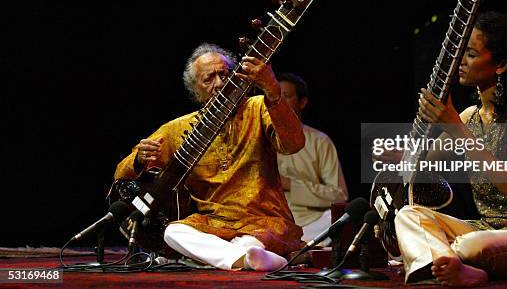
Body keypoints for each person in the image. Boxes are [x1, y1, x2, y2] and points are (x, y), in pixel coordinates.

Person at [394, 11, 507, 286]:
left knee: (471, 246)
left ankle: (438, 260)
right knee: (410, 215)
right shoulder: (470, 116)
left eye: (470, 54)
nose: (460, 62)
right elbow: (422, 163)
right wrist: (397, 155)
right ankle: (453, 266)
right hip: (489, 227)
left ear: (501, 64)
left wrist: (455, 127)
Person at [114, 43, 305, 271]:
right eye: (209, 79)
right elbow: (121, 173)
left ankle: (245, 254)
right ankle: (251, 258)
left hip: (265, 219)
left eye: (224, 75)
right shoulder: (178, 129)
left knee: (252, 240)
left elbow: (294, 144)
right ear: (196, 90)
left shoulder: (258, 108)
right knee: (174, 232)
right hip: (214, 224)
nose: (219, 83)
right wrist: (140, 159)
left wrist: (273, 91)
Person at [275, 73, 349, 244]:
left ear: (302, 102)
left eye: (286, 96)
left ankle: (295, 248)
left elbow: (339, 195)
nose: (279, 102)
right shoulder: (258, 138)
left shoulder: (320, 141)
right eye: (275, 96)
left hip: (311, 223)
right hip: (271, 222)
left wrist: (291, 185)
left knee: (342, 219)